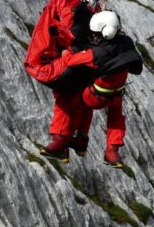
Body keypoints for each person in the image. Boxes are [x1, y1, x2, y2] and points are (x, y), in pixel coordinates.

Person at [40, 11, 143, 168]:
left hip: (95, 97)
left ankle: (60, 143)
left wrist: (66, 51)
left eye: (96, 34)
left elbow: (71, 61)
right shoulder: (126, 42)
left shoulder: (97, 54)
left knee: (69, 103)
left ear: (105, 33)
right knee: (115, 117)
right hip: (116, 95)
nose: (93, 37)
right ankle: (112, 150)